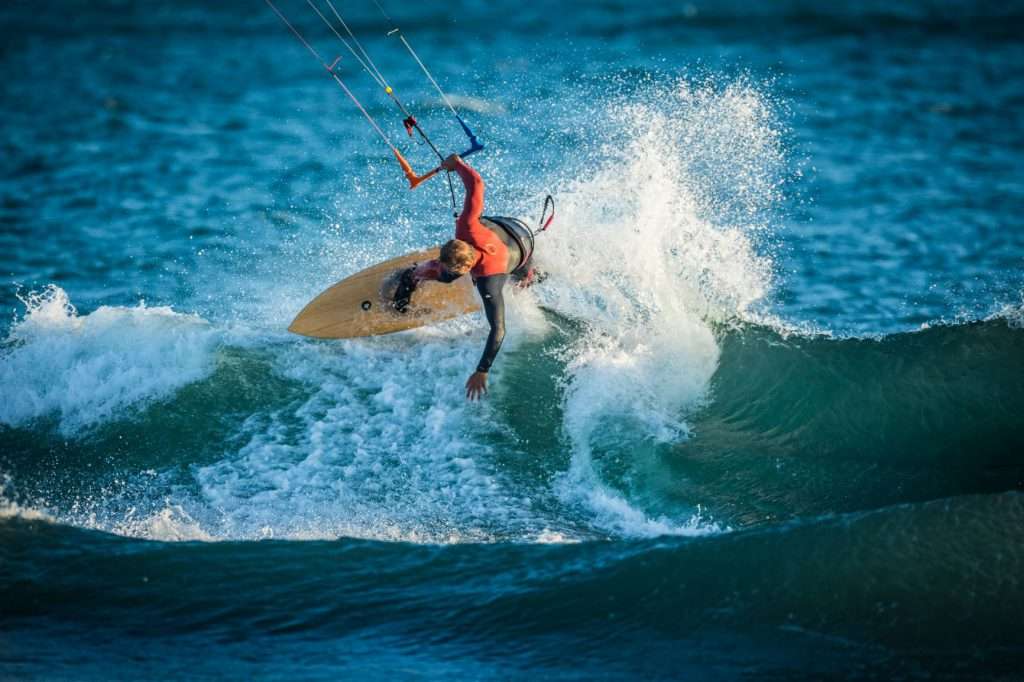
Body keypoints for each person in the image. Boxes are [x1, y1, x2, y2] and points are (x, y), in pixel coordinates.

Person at [407, 153, 536, 401]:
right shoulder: (465, 227)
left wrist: (482, 370)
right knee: (452, 271)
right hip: (511, 228)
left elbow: (498, 329)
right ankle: (416, 275)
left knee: (521, 280)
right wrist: (457, 164)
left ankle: (532, 275)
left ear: (467, 269)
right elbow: (475, 183)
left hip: (521, 249)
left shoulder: (489, 281)